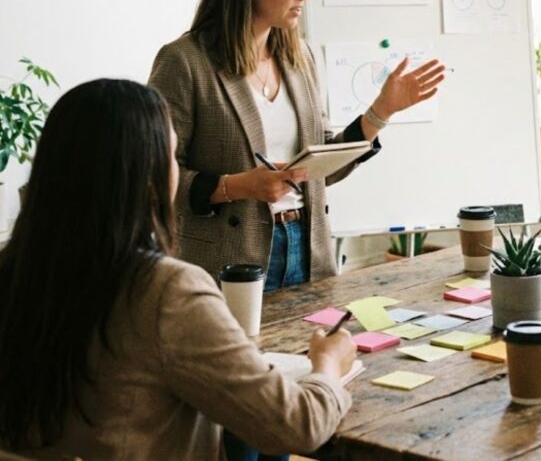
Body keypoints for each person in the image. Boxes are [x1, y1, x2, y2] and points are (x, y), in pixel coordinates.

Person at [0, 79, 358, 459]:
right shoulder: (166, 293)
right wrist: (328, 365)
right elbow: (297, 426)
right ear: (147, 177)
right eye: (172, 156)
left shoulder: (14, 272)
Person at [149, 0, 444, 290]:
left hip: (307, 249)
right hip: (229, 260)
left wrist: (380, 112)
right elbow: (155, 175)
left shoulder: (299, 57)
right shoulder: (185, 62)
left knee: (312, 348)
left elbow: (320, 167)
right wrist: (238, 186)